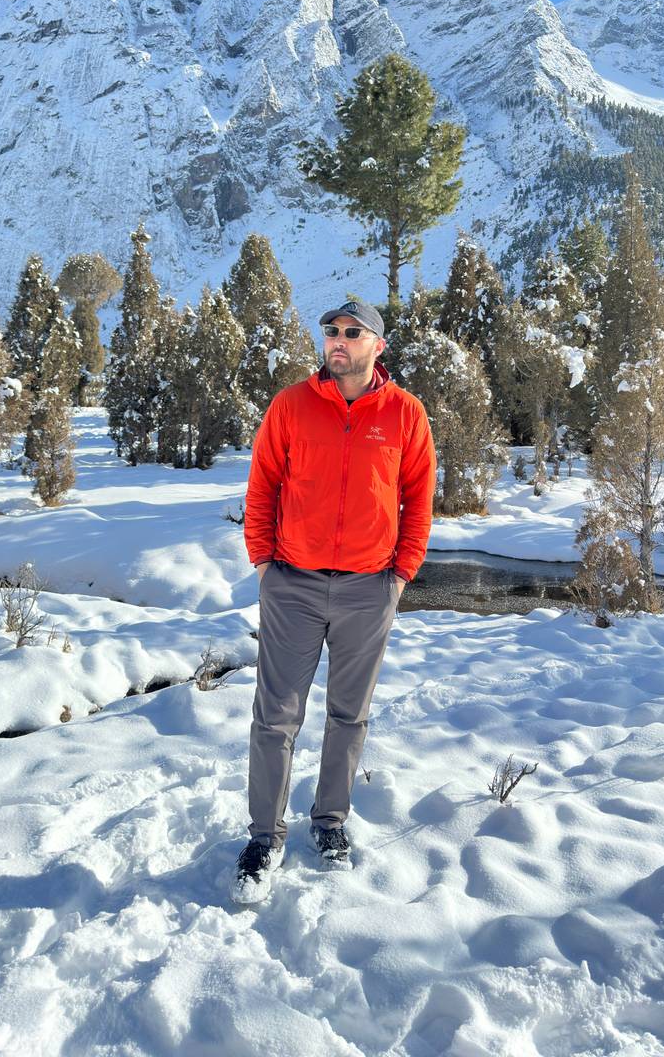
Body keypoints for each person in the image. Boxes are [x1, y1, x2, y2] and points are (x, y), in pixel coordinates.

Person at [231, 298, 437, 903]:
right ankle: (264, 838)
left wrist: (401, 575)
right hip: (292, 584)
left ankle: (329, 822)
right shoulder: (291, 405)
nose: (338, 340)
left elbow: (419, 499)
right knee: (275, 717)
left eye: (352, 332)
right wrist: (264, 562)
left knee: (349, 715)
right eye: (330, 331)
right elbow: (262, 485)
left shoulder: (405, 413)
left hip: (369, 589)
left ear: (378, 345)